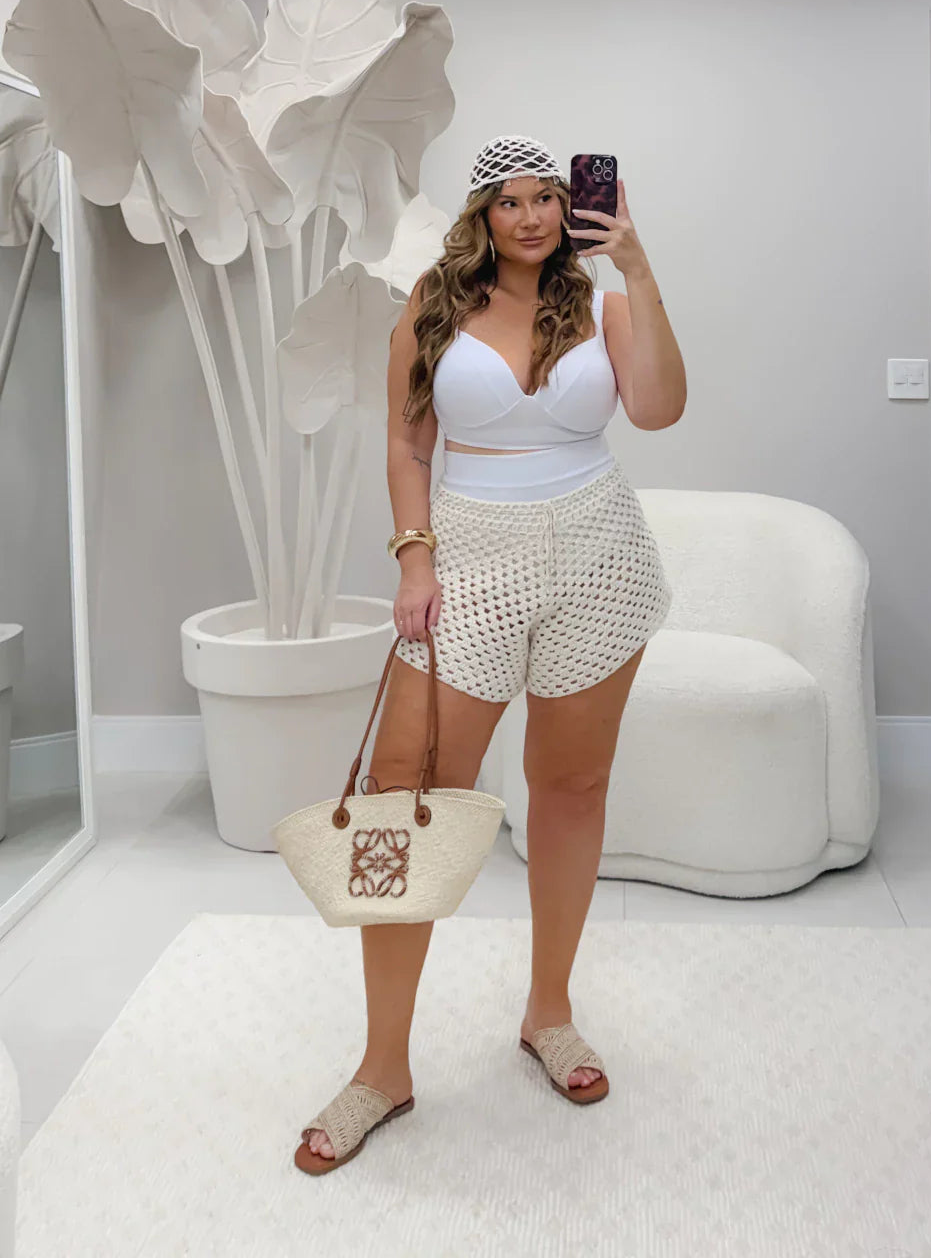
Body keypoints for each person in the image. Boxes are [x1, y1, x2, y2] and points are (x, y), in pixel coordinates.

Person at [295, 135, 687, 1173]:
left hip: (599, 555)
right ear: (480, 213)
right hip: (469, 558)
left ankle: (549, 1011)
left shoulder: (604, 304)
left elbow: (657, 409)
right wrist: (414, 561)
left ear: (569, 207)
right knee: (404, 793)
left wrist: (637, 263)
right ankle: (382, 1066)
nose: (531, 216)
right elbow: (406, 443)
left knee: (572, 785)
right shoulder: (433, 303)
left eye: (546, 197)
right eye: (508, 201)